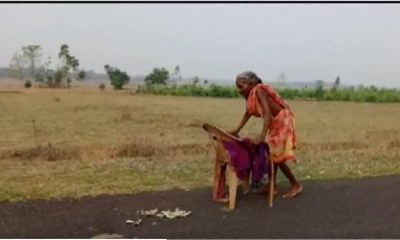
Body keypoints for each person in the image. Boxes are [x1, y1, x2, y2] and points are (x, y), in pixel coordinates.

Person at [229, 71, 303, 198]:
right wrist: (236, 130)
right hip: (275, 122)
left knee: (276, 157)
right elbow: (248, 113)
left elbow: (268, 114)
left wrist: (261, 136)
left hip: (282, 120)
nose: (238, 90)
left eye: (241, 86)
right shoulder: (250, 95)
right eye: (237, 87)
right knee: (272, 156)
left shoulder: (259, 91)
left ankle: (295, 185)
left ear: (251, 84)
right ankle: (272, 186)